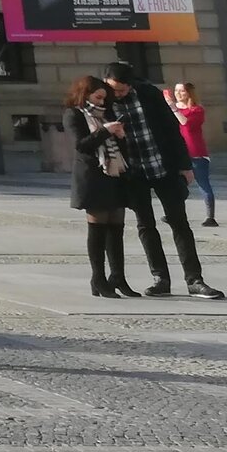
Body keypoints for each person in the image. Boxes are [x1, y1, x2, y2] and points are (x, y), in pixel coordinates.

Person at [103, 62, 221, 297]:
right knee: (146, 225)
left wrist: (185, 165)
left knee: (179, 222)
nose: (117, 94)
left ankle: (194, 279)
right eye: (112, 89)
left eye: (122, 90)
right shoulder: (103, 101)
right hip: (133, 172)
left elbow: (171, 129)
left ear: (131, 84)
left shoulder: (148, 94)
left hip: (162, 166)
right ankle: (160, 279)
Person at [66, 74, 140, 298]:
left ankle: (118, 276)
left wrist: (120, 135)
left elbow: (120, 147)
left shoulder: (107, 113)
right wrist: (105, 130)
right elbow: (82, 146)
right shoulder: (74, 114)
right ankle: (97, 278)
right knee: (98, 228)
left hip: (115, 174)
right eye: (97, 97)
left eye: (103, 98)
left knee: (117, 227)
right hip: (93, 176)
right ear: (85, 94)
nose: (101, 102)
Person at [168, 81, 218, 227]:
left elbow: (187, 124)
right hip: (177, 151)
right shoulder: (172, 109)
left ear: (189, 93)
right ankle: (173, 213)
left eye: (182, 91)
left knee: (203, 183)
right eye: (176, 90)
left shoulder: (196, 110)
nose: (178, 93)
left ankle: (210, 217)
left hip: (196, 152)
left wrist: (174, 110)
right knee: (174, 184)